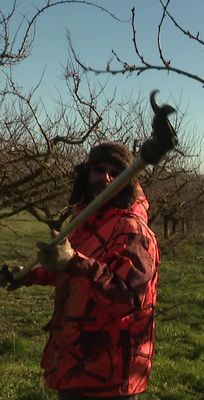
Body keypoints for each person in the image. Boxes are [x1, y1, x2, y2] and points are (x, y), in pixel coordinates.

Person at [1, 142, 160, 400]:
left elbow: (128, 299)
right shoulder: (88, 222)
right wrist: (27, 275)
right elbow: (75, 274)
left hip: (109, 373)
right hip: (77, 361)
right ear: (87, 174)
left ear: (127, 181)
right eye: (99, 169)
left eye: (116, 172)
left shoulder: (133, 231)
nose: (105, 177)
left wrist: (73, 261)